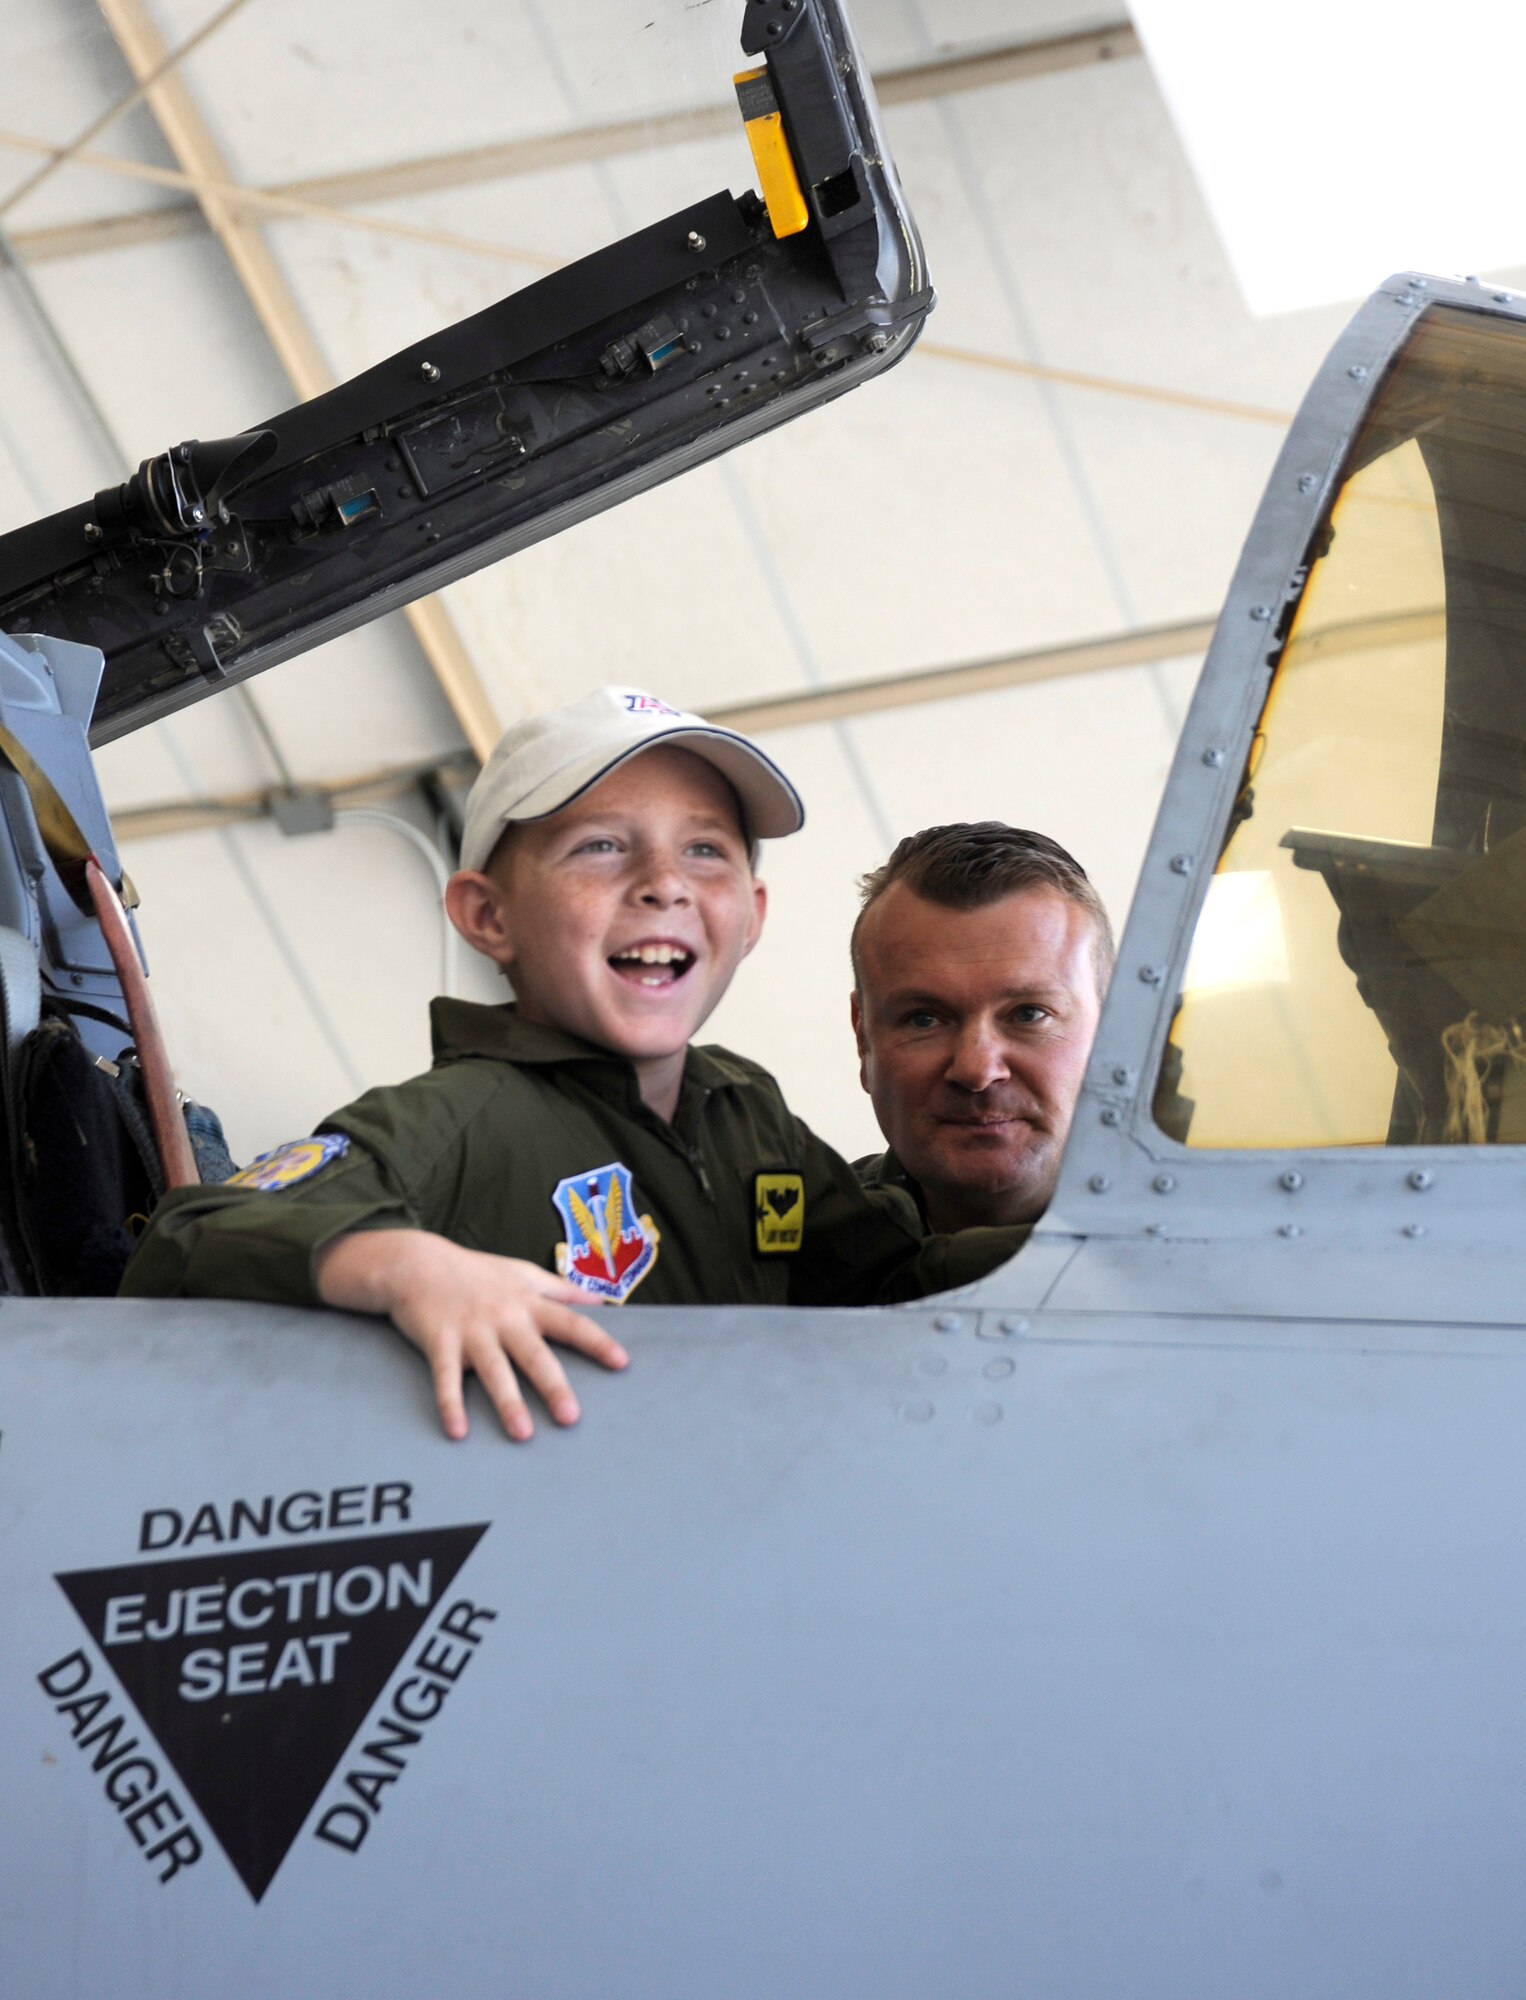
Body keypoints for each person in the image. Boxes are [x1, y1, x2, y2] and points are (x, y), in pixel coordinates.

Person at [121, 689, 1020, 1440]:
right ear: (488, 917)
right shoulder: (457, 1121)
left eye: (704, 849)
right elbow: (188, 1240)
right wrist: (406, 1267)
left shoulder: (746, 1114)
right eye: (601, 846)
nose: (662, 882)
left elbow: (887, 1286)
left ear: (750, 913)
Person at [850, 823, 1113, 1233]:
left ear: (1115, 1031)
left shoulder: (1230, 1251)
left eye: (1028, 1014)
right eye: (924, 1019)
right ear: (863, 1038)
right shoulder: (779, 1266)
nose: (977, 1070)